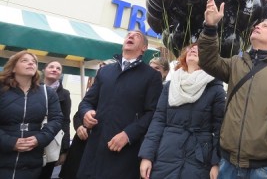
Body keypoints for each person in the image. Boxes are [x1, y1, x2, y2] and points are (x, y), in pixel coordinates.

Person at [198, 0, 267, 179]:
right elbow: (208, 61)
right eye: (257, 24)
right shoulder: (236, 63)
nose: (257, 26)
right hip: (227, 162)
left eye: (265, 26)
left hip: (263, 169)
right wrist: (211, 27)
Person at [77, 30, 163, 179]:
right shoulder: (105, 71)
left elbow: (153, 113)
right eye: (128, 34)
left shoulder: (152, 76)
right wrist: (86, 113)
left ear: (144, 48)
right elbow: (87, 101)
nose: (130, 36)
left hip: (124, 155)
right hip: (94, 151)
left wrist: (128, 135)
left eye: (136, 36)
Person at [139, 43, 226, 179]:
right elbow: (158, 121)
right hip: (166, 154)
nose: (193, 49)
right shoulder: (170, 85)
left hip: (199, 160)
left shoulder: (215, 88)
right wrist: (147, 156)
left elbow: (220, 128)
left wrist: (216, 163)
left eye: (200, 48)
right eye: (191, 48)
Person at [0, 51, 63, 179]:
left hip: (31, 160)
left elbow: (56, 119)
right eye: (24, 60)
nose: (31, 63)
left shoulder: (48, 93)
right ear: (13, 68)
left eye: (34, 62)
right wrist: (9, 141)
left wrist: (40, 139)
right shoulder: (2, 90)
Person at [58, 59, 114, 179]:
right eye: (100, 68)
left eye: (105, 68)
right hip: (81, 145)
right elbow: (78, 115)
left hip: (100, 148)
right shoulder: (94, 90)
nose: (101, 71)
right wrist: (79, 127)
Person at [39, 61, 71, 179]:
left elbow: (66, 121)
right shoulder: (33, 88)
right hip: (31, 136)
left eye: (58, 68)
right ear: (44, 70)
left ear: (61, 74)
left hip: (52, 142)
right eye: (51, 67)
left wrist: (64, 150)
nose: (54, 69)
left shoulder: (65, 94)